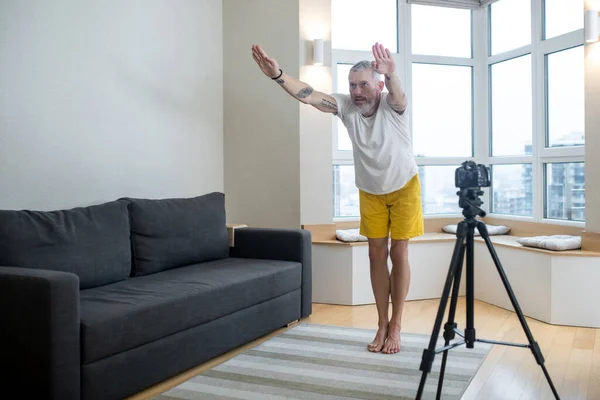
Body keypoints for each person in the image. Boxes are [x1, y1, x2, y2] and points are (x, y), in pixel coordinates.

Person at [251, 43, 424, 354]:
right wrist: (277, 75)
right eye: (352, 85)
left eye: (364, 85)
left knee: (398, 254)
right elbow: (309, 93)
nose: (356, 91)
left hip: (404, 187)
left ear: (379, 85)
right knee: (375, 255)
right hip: (370, 190)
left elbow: (398, 95)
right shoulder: (345, 107)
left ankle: (396, 326)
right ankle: (382, 323)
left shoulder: (392, 105)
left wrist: (393, 74)